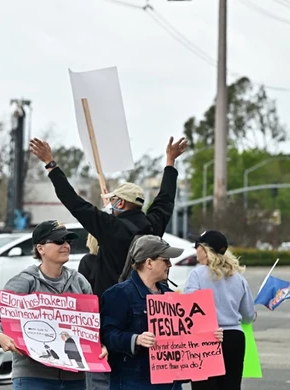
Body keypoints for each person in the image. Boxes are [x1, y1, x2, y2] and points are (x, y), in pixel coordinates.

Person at [29, 136, 187, 298]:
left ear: (121, 203)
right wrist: (170, 162)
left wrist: (50, 164)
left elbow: (73, 201)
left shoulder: (110, 226)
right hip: (145, 302)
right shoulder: (153, 225)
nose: (110, 204)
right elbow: (166, 198)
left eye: (113, 200)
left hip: (113, 303)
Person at [0, 220, 108, 390]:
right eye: (59, 241)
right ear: (40, 248)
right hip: (33, 377)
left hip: (74, 377)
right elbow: (0, 320)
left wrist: (100, 345)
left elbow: (92, 327)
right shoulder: (24, 282)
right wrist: (0, 335)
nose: (66, 245)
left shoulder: (80, 282)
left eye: (68, 241)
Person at [100, 235, 224, 390]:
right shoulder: (119, 294)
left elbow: (186, 335)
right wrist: (135, 339)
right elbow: (106, 335)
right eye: (165, 260)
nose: (170, 264)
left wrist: (210, 337)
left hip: (170, 383)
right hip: (133, 382)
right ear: (149, 263)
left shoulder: (171, 296)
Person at [184, 230, 256, 390]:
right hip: (234, 339)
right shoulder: (238, 277)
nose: (196, 249)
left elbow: (188, 309)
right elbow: (248, 316)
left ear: (205, 249)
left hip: (206, 339)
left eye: (198, 246)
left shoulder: (196, 275)